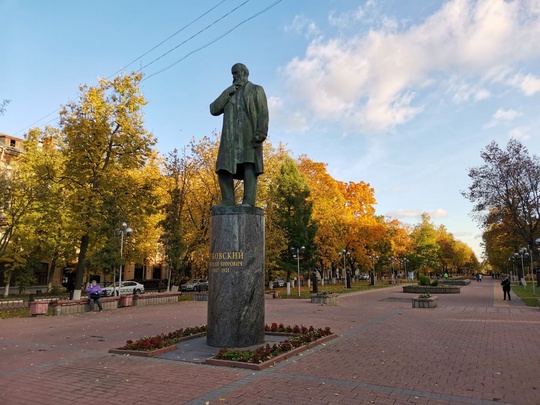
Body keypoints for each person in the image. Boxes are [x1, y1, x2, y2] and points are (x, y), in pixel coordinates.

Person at [210, 63, 269, 207]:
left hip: (248, 134)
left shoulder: (256, 89)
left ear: (245, 74)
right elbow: (213, 109)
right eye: (233, 74)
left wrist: (261, 131)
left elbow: (263, 111)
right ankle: (228, 200)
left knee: (249, 165)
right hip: (229, 139)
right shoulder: (230, 93)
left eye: (237, 73)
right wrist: (228, 91)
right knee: (223, 168)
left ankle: (248, 201)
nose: (235, 76)